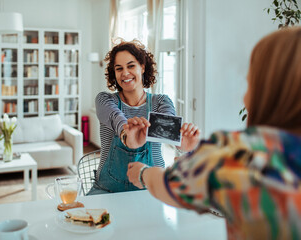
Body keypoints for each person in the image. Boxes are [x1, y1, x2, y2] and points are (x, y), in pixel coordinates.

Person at [127, 27, 301, 239]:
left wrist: (143, 173)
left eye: (249, 84)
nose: (245, 98)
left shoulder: (235, 154)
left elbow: (169, 186)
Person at [88, 39, 200, 195]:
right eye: (119, 68)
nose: (125, 73)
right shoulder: (105, 100)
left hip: (151, 189)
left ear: (142, 66)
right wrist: (127, 135)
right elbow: (116, 118)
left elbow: (168, 130)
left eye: (131, 65)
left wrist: (182, 145)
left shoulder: (161, 102)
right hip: (107, 190)